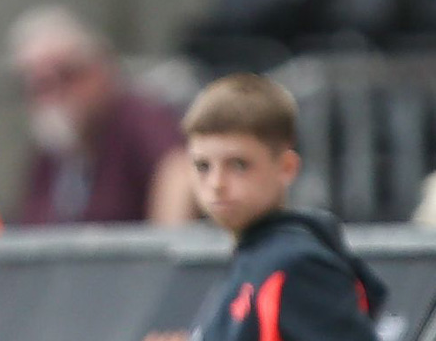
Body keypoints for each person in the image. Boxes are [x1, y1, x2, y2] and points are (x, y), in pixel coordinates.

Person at [146, 74, 386, 341]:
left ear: (286, 168)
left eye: (238, 165)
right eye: (203, 166)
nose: (216, 183)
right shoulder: (256, 257)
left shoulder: (297, 265)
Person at [10, 5, 196, 226]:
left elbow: (178, 170)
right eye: (39, 86)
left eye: (66, 76)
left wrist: (162, 249)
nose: (54, 97)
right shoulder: (52, 153)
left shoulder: (137, 117)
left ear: (99, 69)